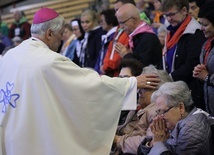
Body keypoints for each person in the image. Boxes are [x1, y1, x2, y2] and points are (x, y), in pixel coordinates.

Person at [0, 7, 161, 155]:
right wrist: (131, 83)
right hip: (35, 140)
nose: (60, 41)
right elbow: (89, 84)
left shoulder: (10, 55)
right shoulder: (48, 62)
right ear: (49, 34)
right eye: (60, 35)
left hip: (11, 136)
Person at [138, 81, 213, 155]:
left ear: (181, 108)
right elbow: (140, 151)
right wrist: (151, 143)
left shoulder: (193, 127)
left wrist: (157, 143)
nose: (159, 117)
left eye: (163, 112)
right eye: (158, 112)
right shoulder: (175, 123)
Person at [114, 65, 173, 155]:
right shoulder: (140, 106)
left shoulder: (158, 113)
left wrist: (117, 140)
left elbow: (148, 142)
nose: (138, 91)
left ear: (158, 92)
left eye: (144, 88)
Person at [161, 0, 207, 110]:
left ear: (184, 10)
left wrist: (169, 78)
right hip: (173, 87)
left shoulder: (195, 32)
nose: (169, 19)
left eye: (172, 14)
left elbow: (191, 63)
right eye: (166, 15)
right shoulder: (171, 32)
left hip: (189, 89)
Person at [115, 3, 162, 68]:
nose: (121, 27)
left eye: (122, 23)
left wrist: (126, 55)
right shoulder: (136, 36)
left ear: (133, 20)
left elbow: (143, 67)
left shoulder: (147, 38)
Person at [193, 1, 214, 116]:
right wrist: (199, 71)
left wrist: (206, 77)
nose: (201, 28)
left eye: (205, 25)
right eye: (200, 24)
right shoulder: (207, 44)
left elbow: (207, 76)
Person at [94, 9, 118, 74]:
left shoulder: (115, 36)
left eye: (102, 21)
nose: (101, 23)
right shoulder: (107, 37)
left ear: (110, 20)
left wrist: (105, 68)